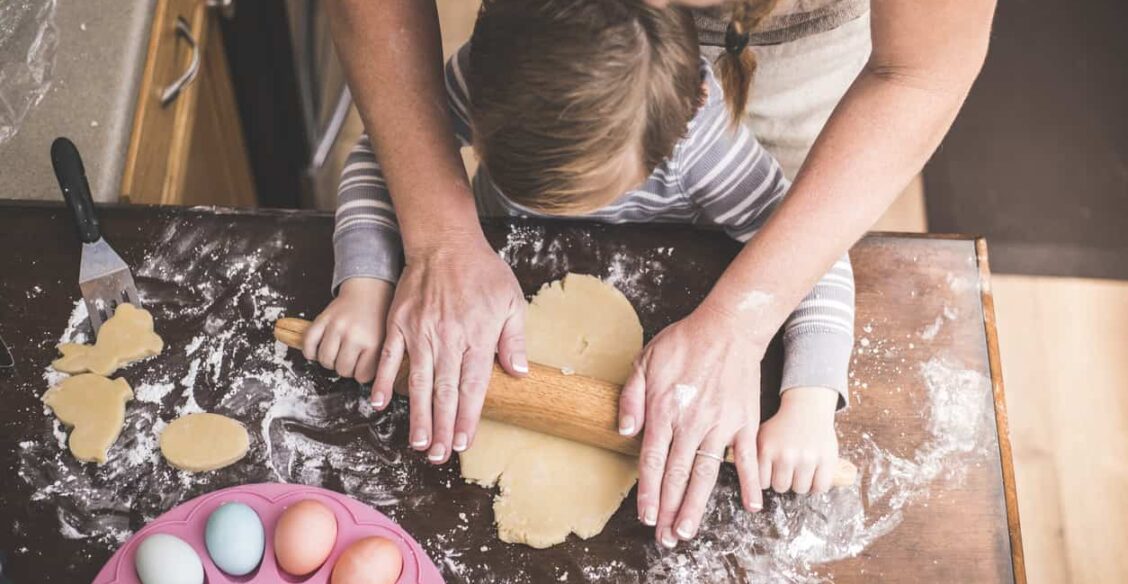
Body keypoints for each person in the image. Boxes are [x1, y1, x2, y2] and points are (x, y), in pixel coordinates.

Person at [321, 0, 994, 543]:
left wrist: (807, 407)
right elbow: (387, 150)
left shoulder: (701, 146)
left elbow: (819, 259)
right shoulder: (493, 79)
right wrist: (368, 286)